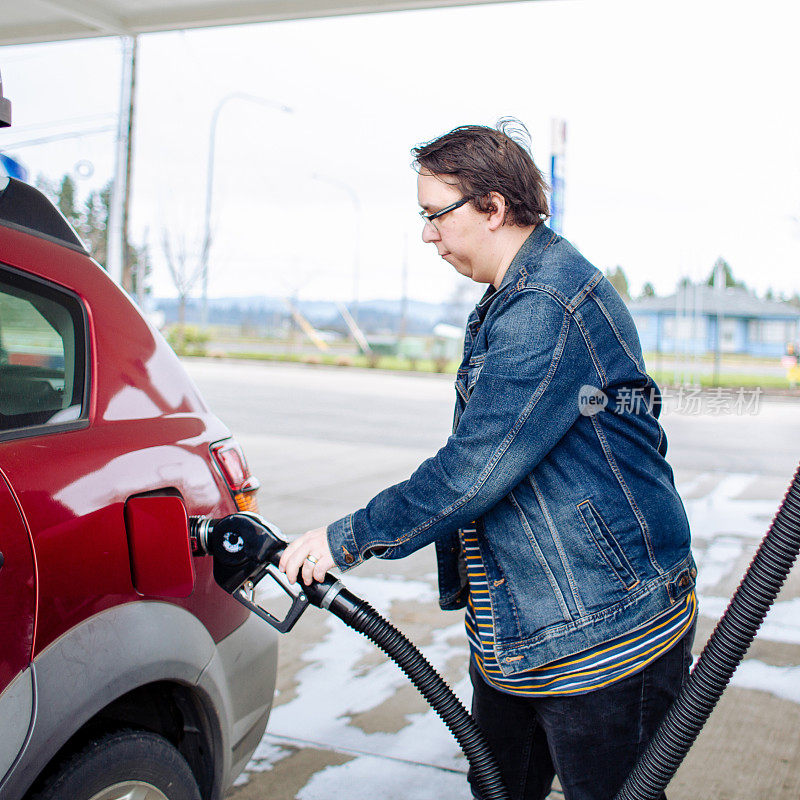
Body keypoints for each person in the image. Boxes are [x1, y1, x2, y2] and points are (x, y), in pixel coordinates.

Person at [280, 120, 696, 800]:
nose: (427, 234)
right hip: (528, 628)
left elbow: (473, 470)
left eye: (435, 215)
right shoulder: (511, 298)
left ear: (494, 208)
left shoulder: (546, 305)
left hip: (603, 630)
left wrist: (344, 538)